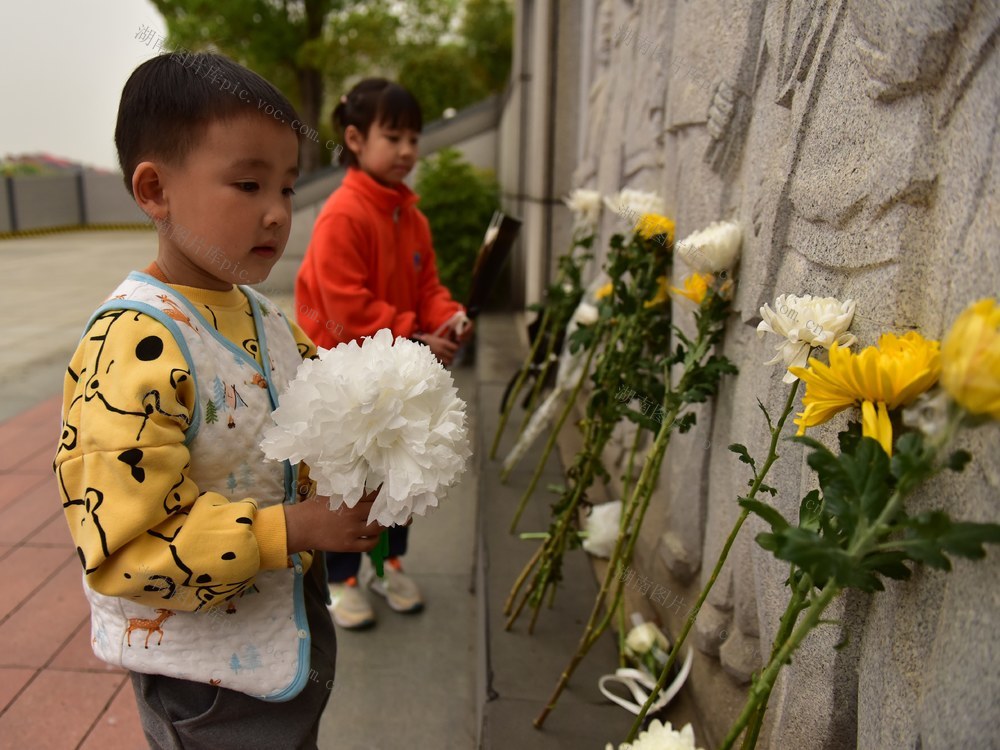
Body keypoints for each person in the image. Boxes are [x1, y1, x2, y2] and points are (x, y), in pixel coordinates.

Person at [53, 51, 384, 749]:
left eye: (289, 189)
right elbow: (124, 549)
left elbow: (312, 413)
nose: (276, 213)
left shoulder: (263, 317)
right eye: (247, 183)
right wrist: (290, 530)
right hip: (205, 685)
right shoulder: (133, 343)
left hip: (283, 631)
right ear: (154, 189)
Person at [295, 78, 473, 629]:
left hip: (401, 379)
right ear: (353, 137)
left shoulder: (411, 217)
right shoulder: (342, 215)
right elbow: (345, 310)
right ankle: (343, 578)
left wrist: (447, 315)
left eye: (414, 139)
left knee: (403, 481)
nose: (407, 151)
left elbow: (429, 290)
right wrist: (415, 335)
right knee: (350, 486)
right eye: (393, 136)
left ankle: (387, 563)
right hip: (350, 388)